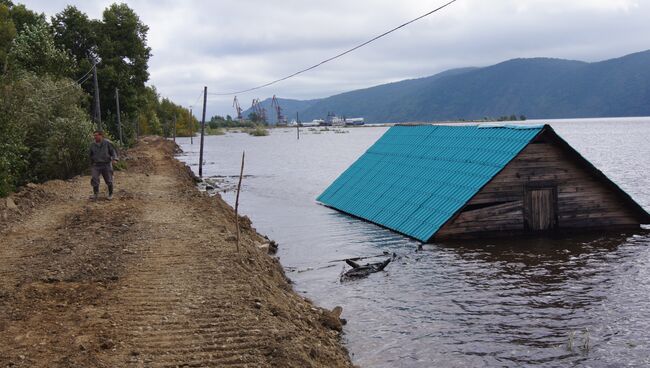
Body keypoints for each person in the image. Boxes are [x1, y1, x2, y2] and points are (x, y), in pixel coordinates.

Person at [89, 130, 118, 200]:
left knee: (109, 179)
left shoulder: (107, 143)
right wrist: (91, 163)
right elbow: (90, 155)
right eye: (94, 135)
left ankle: (110, 194)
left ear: (101, 135)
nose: (95, 137)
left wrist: (115, 159)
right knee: (94, 178)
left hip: (106, 164)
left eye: (96, 135)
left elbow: (113, 152)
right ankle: (95, 194)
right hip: (96, 165)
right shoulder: (92, 145)